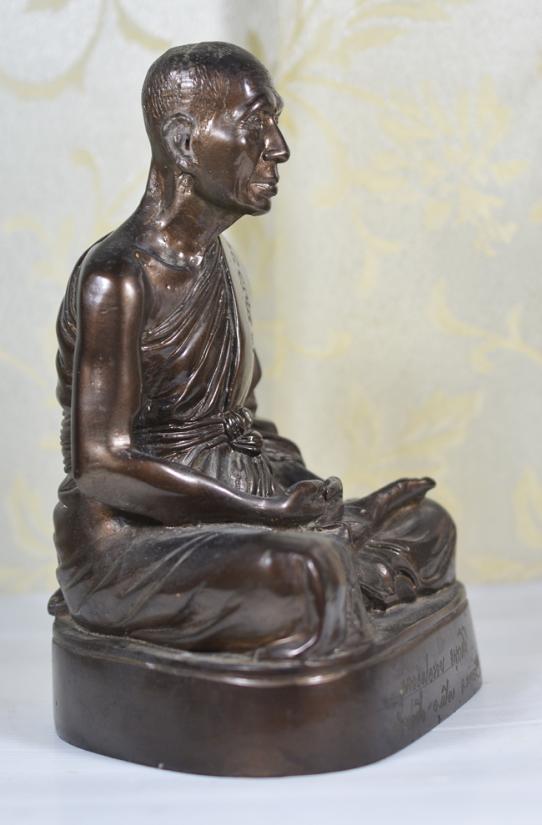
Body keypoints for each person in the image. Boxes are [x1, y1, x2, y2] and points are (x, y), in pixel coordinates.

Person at [51, 43, 455, 660]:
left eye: (276, 123)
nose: (278, 147)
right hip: (134, 542)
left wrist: (320, 499)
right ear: (185, 143)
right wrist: (265, 513)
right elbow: (102, 465)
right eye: (255, 124)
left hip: (245, 515)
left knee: (428, 525)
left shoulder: (223, 264)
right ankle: (331, 584)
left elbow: (247, 429)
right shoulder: (118, 278)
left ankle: (333, 578)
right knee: (308, 574)